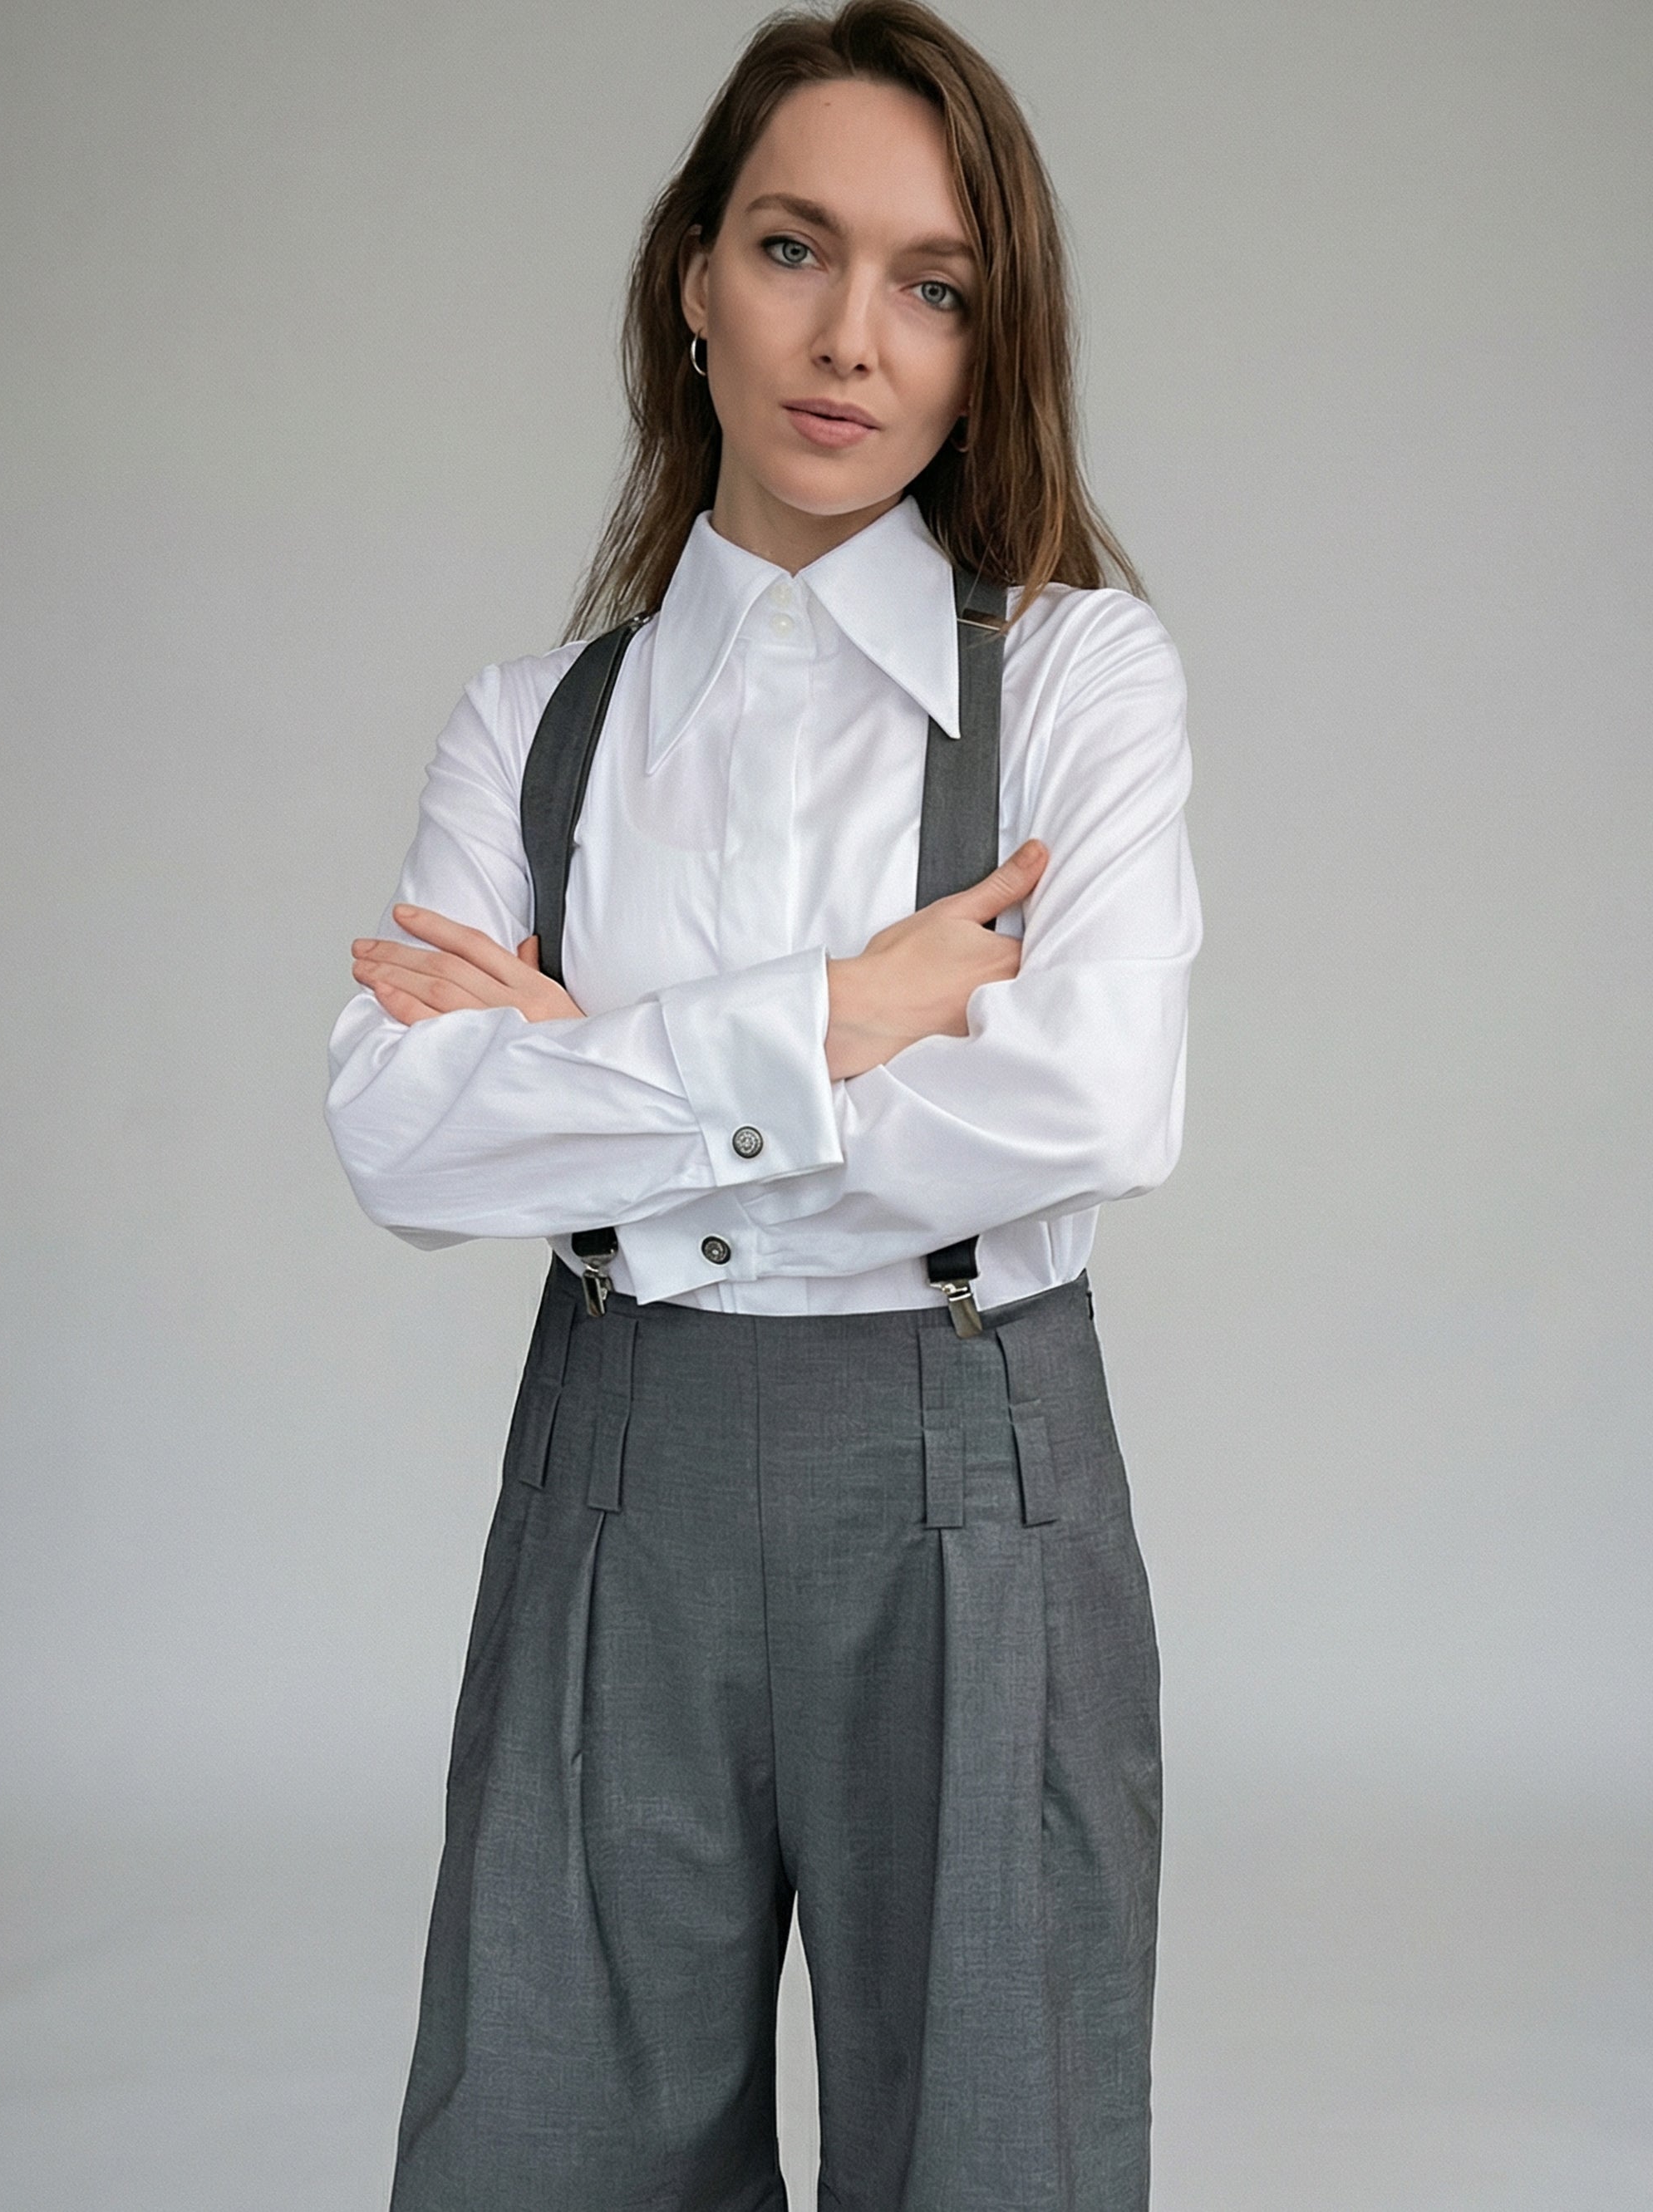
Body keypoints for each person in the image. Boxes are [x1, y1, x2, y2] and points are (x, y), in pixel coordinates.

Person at [324, 3, 1202, 2205]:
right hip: (617, 1472)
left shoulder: (1078, 677)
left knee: (995, 2148)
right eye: (796, 248)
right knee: (542, 2139)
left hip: (969, 1472)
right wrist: (841, 1015)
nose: (852, 338)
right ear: (693, 277)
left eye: (935, 286)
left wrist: (591, 1062)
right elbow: (404, 1139)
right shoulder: (532, 723)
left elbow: (1095, 1103)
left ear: (988, 351)